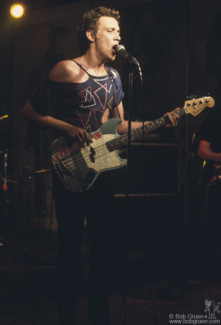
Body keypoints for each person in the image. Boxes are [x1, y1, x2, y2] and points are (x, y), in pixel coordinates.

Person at [22, 6, 179, 325]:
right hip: (69, 166)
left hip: (101, 168)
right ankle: (67, 316)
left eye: (119, 31)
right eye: (111, 30)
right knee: (69, 248)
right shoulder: (66, 69)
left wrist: (160, 122)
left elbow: (118, 126)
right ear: (91, 35)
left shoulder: (115, 77)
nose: (118, 35)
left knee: (103, 249)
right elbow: (30, 111)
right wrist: (65, 127)